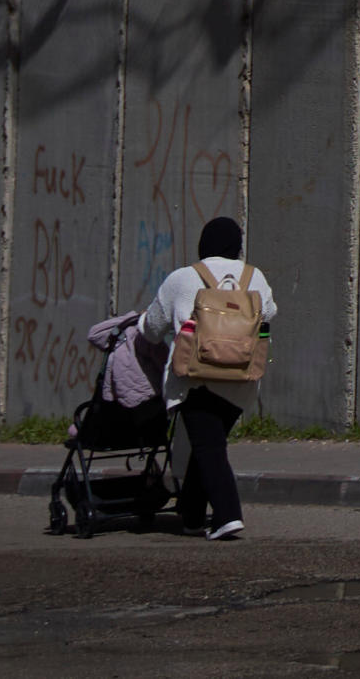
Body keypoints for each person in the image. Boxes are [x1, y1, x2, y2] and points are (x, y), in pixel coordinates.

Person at [142, 216, 274, 538]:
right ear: (236, 247)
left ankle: (228, 514)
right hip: (241, 378)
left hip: (196, 376)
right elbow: (268, 313)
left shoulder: (183, 278)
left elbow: (152, 328)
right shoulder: (254, 277)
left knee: (209, 445)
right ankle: (192, 516)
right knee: (208, 443)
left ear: (204, 244)